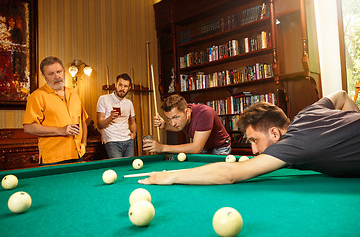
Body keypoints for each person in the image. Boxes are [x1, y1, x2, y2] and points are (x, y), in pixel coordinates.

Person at [139, 90, 360, 185]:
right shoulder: (305, 114)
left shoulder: (294, 142)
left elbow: (230, 174)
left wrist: (170, 176)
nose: (253, 151)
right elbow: (341, 95)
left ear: (275, 133)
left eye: (254, 141)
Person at [23, 56, 88, 165]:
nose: (57, 76)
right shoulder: (37, 96)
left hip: (78, 155)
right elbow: (28, 127)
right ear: (44, 76)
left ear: (64, 72)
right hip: (53, 159)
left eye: (59, 71)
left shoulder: (74, 93)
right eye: (51, 74)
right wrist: (61, 130)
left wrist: (84, 144)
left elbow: (83, 120)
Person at [143, 94, 231, 155]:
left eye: (175, 117)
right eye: (169, 119)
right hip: (205, 148)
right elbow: (177, 127)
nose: (173, 123)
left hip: (220, 147)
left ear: (187, 112)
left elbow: (196, 148)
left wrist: (162, 148)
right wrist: (165, 125)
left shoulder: (205, 113)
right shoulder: (183, 114)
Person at [97, 73, 137, 158]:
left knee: (129, 168)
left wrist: (134, 134)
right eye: (120, 85)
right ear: (115, 84)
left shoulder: (129, 103)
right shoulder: (103, 99)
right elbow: (100, 124)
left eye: (125, 86)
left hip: (128, 141)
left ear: (129, 88)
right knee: (118, 168)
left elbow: (132, 122)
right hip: (112, 141)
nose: (122, 89)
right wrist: (111, 117)